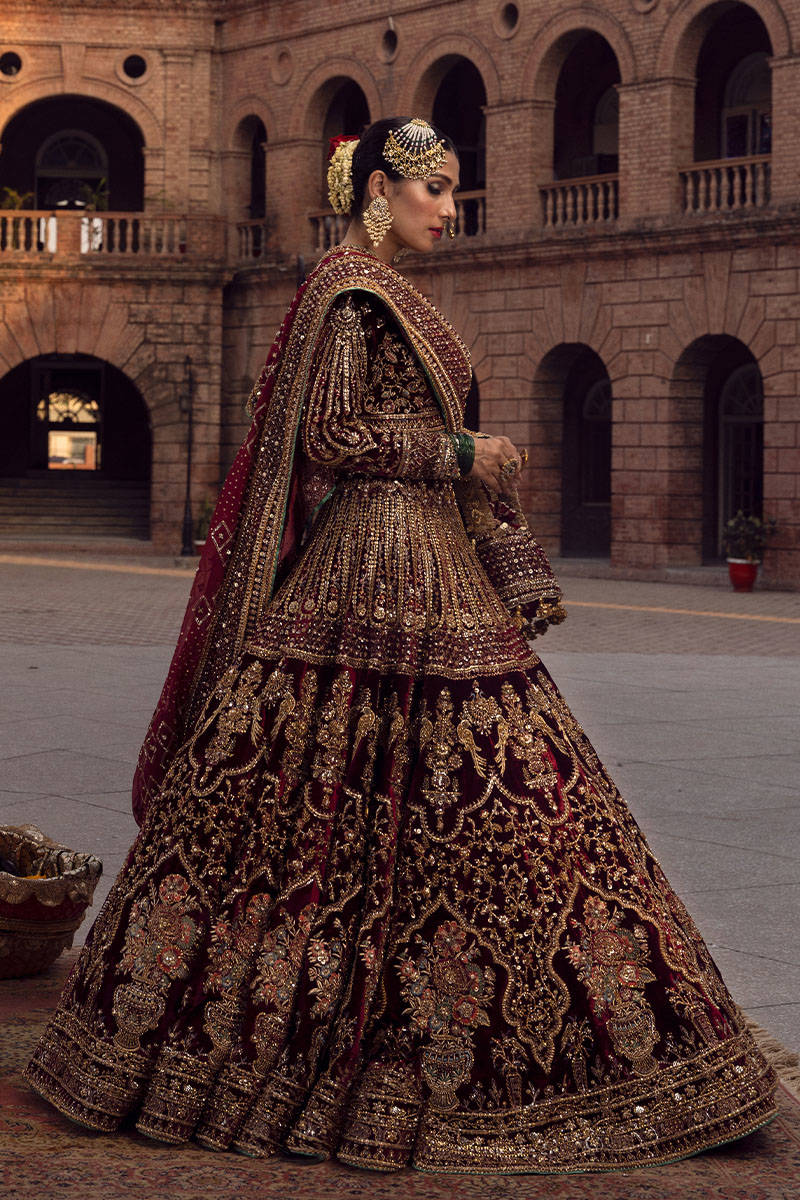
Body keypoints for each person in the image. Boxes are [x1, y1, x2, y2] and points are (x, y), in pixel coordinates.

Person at [26, 117, 776, 1174]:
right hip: (370, 559)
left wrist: (470, 480)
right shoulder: (348, 291)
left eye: (453, 190)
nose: (450, 208)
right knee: (394, 797)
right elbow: (329, 436)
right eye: (438, 189)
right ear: (381, 187)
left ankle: (627, 1044)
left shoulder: (391, 294)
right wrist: (463, 448)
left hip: (426, 556)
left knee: (517, 793)